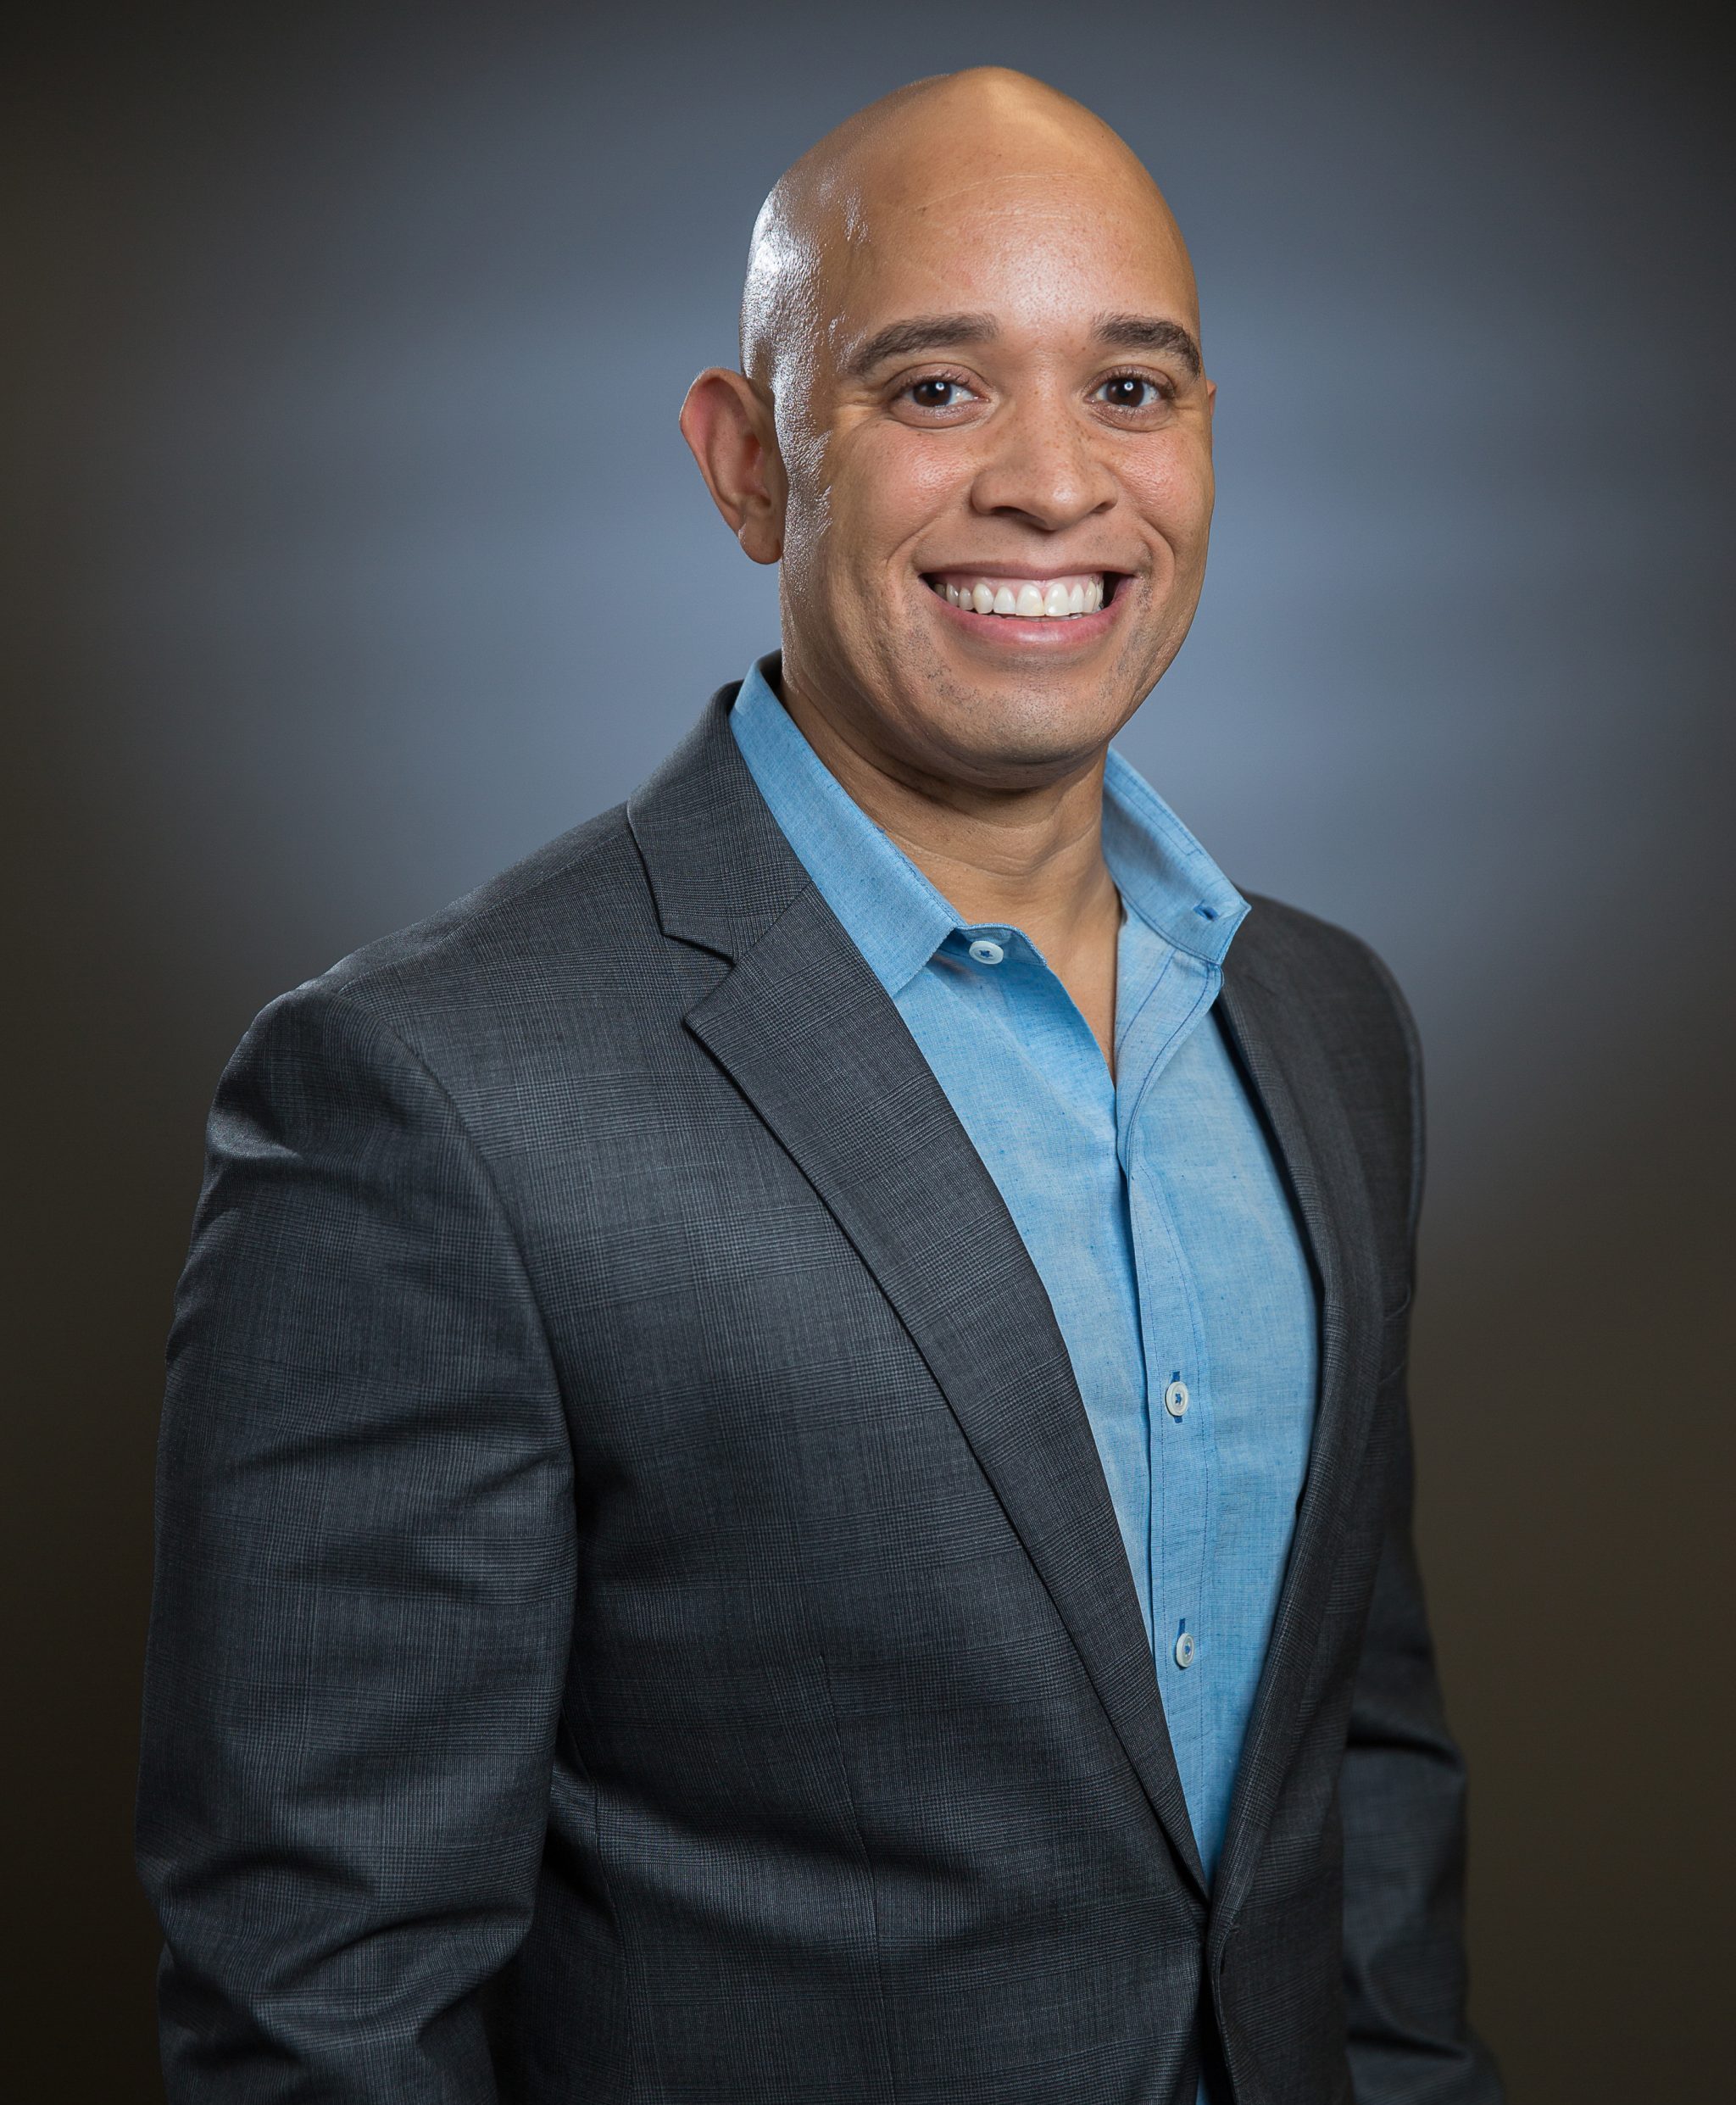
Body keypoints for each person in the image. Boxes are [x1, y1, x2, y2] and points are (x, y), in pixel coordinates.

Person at [137, 66, 1502, 2105]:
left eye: (1129, 389)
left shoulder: (1325, 1024)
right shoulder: (428, 1092)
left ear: (1206, 438)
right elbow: (322, 1999)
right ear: (746, 464)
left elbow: (1356, 1769)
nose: (1055, 484)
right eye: (935, 388)